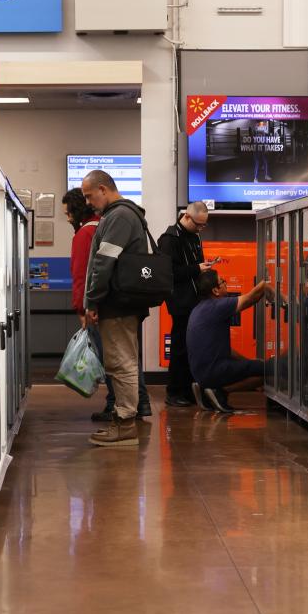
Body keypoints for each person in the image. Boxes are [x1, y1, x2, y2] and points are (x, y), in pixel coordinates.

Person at [62, 189, 151, 423]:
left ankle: (123, 413)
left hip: (108, 304)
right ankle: (134, 405)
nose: (68, 218)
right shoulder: (115, 220)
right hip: (124, 301)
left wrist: (85, 306)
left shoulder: (97, 227)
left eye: (68, 213)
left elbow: (87, 272)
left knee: (116, 361)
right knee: (126, 358)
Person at [82, 170, 152, 447]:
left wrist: (92, 299)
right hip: (121, 302)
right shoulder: (121, 214)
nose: (88, 202)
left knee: (121, 363)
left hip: (117, 303)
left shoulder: (120, 216)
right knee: (121, 361)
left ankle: (125, 425)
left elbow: (103, 262)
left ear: (103, 189)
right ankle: (123, 421)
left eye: (90, 196)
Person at [187, 269, 273, 414]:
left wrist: (249, 362)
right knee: (270, 369)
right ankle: (220, 391)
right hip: (214, 371)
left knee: (256, 366)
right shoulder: (218, 306)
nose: (226, 283)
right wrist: (266, 285)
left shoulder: (198, 309)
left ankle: (206, 390)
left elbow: (227, 351)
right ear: (215, 290)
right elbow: (251, 298)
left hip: (200, 373)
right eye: (222, 281)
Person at [157, 202, 215, 407]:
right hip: (181, 301)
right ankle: (174, 392)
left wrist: (203, 269)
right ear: (187, 217)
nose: (201, 229)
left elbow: (194, 266)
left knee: (193, 347)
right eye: (199, 224)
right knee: (180, 347)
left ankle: (189, 390)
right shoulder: (169, 239)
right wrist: (197, 269)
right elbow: (168, 273)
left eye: (204, 225)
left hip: (196, 299)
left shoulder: (194, 236)